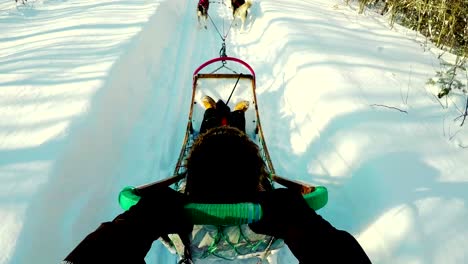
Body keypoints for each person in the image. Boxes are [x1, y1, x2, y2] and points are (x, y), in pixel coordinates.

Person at [64, 103, 372, 263]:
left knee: (212, 123)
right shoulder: (267, 217)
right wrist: (299, 217)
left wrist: (140, 219)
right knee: (233, 126)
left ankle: (214, 111)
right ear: (257, 179)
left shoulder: (184, 220)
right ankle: (236, 114)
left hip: (206, 168)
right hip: (252, 228)